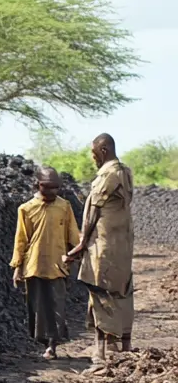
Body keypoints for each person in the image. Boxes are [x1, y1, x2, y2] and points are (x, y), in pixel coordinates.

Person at [65, 133, 135, 363]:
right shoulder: (126, 171)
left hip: (103, 245)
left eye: (94, 154)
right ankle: (123, 346)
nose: (93, 158)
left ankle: (103, 352)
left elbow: (93, 211)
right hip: (121, 243)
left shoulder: (109, 174)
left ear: (103, 150)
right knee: (122, 290)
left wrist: (82, 243)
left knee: (100, 292)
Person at [10, 166, 81, 359]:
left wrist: (77, 254)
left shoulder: (64, 207)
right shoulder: (26, 209)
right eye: (46, 187)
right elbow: (21, 239)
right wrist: (17, 267)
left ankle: (52, 345)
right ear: (37, 185)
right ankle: (43, 341)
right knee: (38, 306)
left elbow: (73, 234)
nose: (51, 192)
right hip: (33, 265)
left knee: (57, 305)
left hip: (58, 266)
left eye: (55, 188)